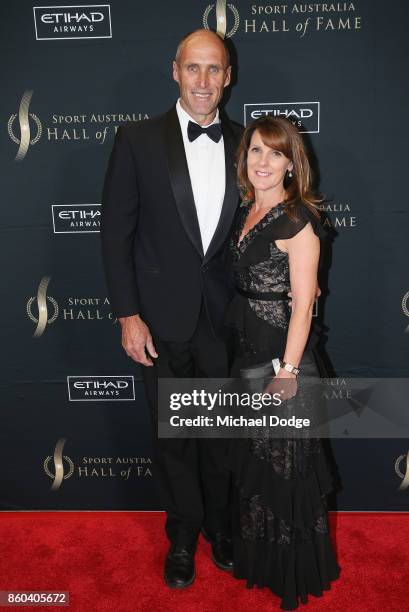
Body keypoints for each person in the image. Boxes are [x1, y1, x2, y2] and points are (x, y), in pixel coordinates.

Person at [100, 29, 243, 588]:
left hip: (229, 319)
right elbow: (116, 234)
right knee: (174, 435)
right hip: (161, 321)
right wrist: (127, 314)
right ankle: (183, 533)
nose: (204, 81)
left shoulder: (248, 145)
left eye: (215, 70)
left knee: (222, 433)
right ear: (175, 71)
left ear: (228, 77)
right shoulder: (136, 140)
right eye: (194, 68)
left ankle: (222, 527)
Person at [224, 116, 341, 609]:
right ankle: (259, 560)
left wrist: (288, 373)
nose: (263, 162)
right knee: (258, 466)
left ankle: (290, 574)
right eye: (255, 151)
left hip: (280, 365)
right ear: (244, 158)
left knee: (286, 472)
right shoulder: (247, 211)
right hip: (248, 356)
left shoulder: (299, 221)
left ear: (293, 163)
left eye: (275, 153)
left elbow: (303, 302)